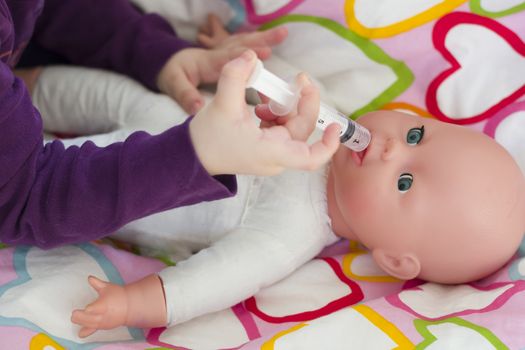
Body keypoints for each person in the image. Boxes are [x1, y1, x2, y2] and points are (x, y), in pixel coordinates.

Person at [70, 106, 525, 337]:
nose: (391, 147)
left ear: (392, 259)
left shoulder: (287, 236)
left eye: (404, 182)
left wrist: (130, 306)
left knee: (56, 179)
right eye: (415, 134)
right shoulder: (330, 122)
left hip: (125, 181)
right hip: (159, 112)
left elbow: (211, 281)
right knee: (81, 90)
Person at [0, 0, 340, 248]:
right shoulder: (292, 230)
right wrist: (199, 154)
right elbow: (25, 195)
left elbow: (57, 9)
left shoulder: (298, 233)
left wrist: (161, 53)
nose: (389, 149)